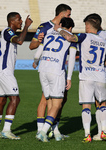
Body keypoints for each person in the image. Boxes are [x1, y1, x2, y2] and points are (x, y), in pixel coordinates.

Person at [54, 14, 106, 142]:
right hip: (101, 76)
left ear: (88, 26)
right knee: (102, 104)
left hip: (87, 76)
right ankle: (103, 132)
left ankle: (87, 135)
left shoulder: (84, 36)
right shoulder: (104, 41)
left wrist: (58, 29)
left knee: (86, 106)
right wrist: (98, 66)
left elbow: (69, 37)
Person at [29, 4, 72, 139]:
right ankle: (41, 130)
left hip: (51, 67)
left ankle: (54, 129)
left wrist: (36, 61)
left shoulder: (62, 30)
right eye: (69, 15)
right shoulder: (45, 27)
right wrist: (39, 41)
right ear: (62, 14)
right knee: (47, 100)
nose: (70, 17)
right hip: (53, 69)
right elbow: (32, 45)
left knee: (61, 99)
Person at [0, 12, 33, 140]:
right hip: (4, 70)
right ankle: (7, 131)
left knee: (1, 100)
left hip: (1, 69)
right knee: (15, 99)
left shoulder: (10, 33)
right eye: (19, 20)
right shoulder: (8, 31)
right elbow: (20, 41)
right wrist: (26, 27)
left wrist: (24, 27)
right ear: (12, 21)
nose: (21, 22)